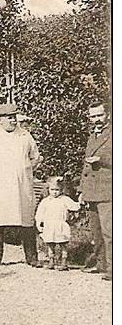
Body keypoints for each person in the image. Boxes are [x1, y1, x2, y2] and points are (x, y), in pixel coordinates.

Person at [0, 102, 42, 268]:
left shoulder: (25, 136)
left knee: (26, 220)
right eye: (8, 117)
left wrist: (25, 169)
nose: (12, 120)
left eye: (14, 116)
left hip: (22, 186)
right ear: (0, 120)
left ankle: (32, 257)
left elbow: (36, 157)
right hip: (0, 187)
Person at [79, 101, 112, 281]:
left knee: (110, 231)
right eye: (93, 116)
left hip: (108, 190)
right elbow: (85, 165)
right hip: (92, 190)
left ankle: (114, 268)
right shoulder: (93, 135)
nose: (97, 120)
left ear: (107, 114)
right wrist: (82, 189)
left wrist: (103, 159)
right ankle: (101, 264)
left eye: (100, 115)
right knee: (97, 232)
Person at [35, 176, 80, 271]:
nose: (55, 192)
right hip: (49, 225)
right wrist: (39, 223)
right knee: (50, 244)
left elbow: (74, 206)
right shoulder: (45, 201)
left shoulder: (64, 199)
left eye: (57, 190)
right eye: (52, 189)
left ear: (61, 190)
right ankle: (51, 260)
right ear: (48, 189)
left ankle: (64, 261)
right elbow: (40, 213)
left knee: (63, 243)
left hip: (60, 225)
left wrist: (80, 202)